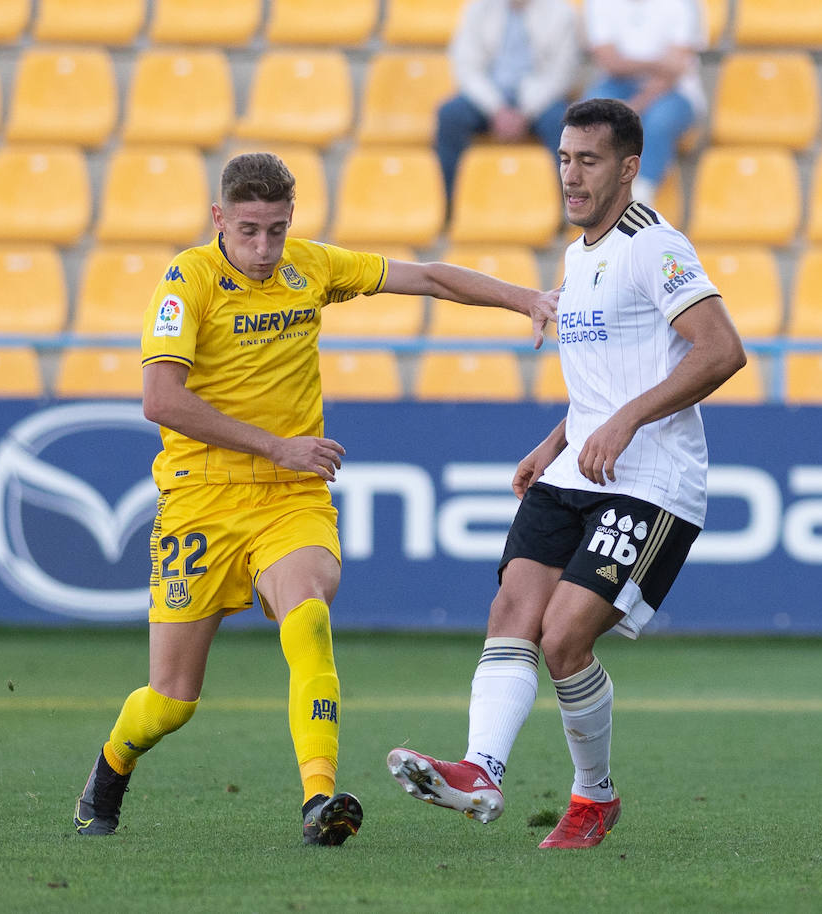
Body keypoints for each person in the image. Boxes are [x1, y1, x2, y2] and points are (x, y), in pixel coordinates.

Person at [73, 151, 558, 845]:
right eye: (248, 230)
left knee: (306, 615)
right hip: (199, 501)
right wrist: (276, 443)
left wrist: (526, 299)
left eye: (276, 229)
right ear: (219, 220)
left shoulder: (312, 266)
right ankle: (111, 768)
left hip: (289, 498)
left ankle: (319, 801)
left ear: (291, 220)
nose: (265, 248)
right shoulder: (187, 283)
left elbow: (425, 277)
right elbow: (160, 400)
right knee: (171, 701)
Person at [386, 98, 745, 849]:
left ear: (627, 167)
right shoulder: (579, 256)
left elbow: (720, 351)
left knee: (564, 639)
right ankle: (481, 770)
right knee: (512, 612)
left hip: (651, 482)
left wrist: (624, 422)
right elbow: (608, 377)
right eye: (563, 158)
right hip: (576, 467)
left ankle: (595, 797)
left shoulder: (655, 244)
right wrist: (554, 442)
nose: (571, 175)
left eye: (587, 160)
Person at [435, 0, 581, 211]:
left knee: (565, 126)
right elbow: (466, 68)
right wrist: (497, 109)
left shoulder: (561, 13)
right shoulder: (477, 8)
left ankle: (568, 207)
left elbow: (561, 74)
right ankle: (448, 204)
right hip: (488, 97)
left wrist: (525, 111)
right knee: (449, 115)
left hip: (538, 99)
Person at [581, 0, 707, 204]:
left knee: (661, 120)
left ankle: (641, 193)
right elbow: (610, 62)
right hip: (616, 84)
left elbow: (676, 69)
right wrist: (657, 63)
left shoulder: (684, 4)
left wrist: (637, 104)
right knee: (587, 116)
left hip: (674, 90)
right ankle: (593, 188)